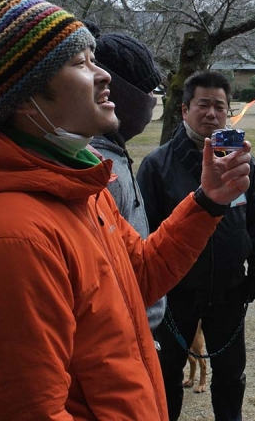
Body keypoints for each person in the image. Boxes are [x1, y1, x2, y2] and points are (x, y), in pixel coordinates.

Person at [0, 0, 252, 421]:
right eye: (80, 63)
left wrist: (207, 201)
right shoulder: (7, 240)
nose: (103, 75)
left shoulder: (80, 188)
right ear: (25, 98)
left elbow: (141, 275)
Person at [138, 70, 255, 421]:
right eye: (203, 104)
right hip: (175, 296)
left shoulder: (240, 162)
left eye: (220, 106)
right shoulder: (157, 165)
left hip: (230, 290)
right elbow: (144, 233)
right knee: (167, 376)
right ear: (184, 110)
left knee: (231, 377)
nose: (212, 113)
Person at [89, 31, 167, 331]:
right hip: (123, 333)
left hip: (139, 330)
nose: (151, 102)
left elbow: (139, 261)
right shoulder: (99, 172)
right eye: (145, 93)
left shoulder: (116, 156)